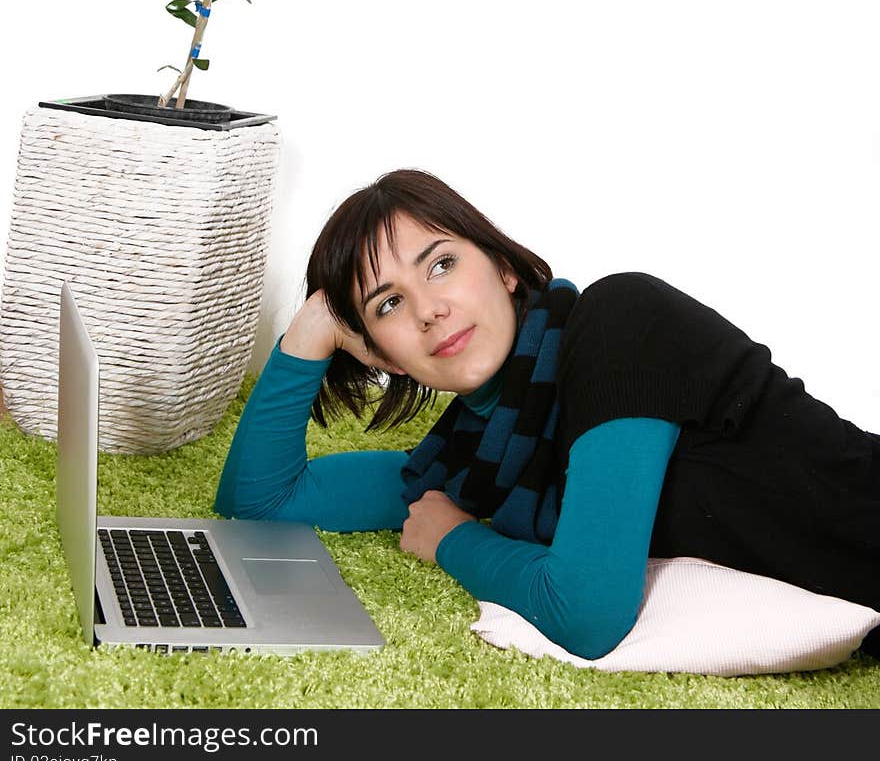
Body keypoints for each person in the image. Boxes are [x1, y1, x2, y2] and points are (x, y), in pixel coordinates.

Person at [215, 168, 880, 661]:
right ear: (380, 352)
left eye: (441, 265)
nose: (427, 309)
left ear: (503, 267)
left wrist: (453, 540)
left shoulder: (623, 325)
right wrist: (312, 327)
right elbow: (260, 502)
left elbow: (587, 614)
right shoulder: (474, 462)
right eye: (387, 305)